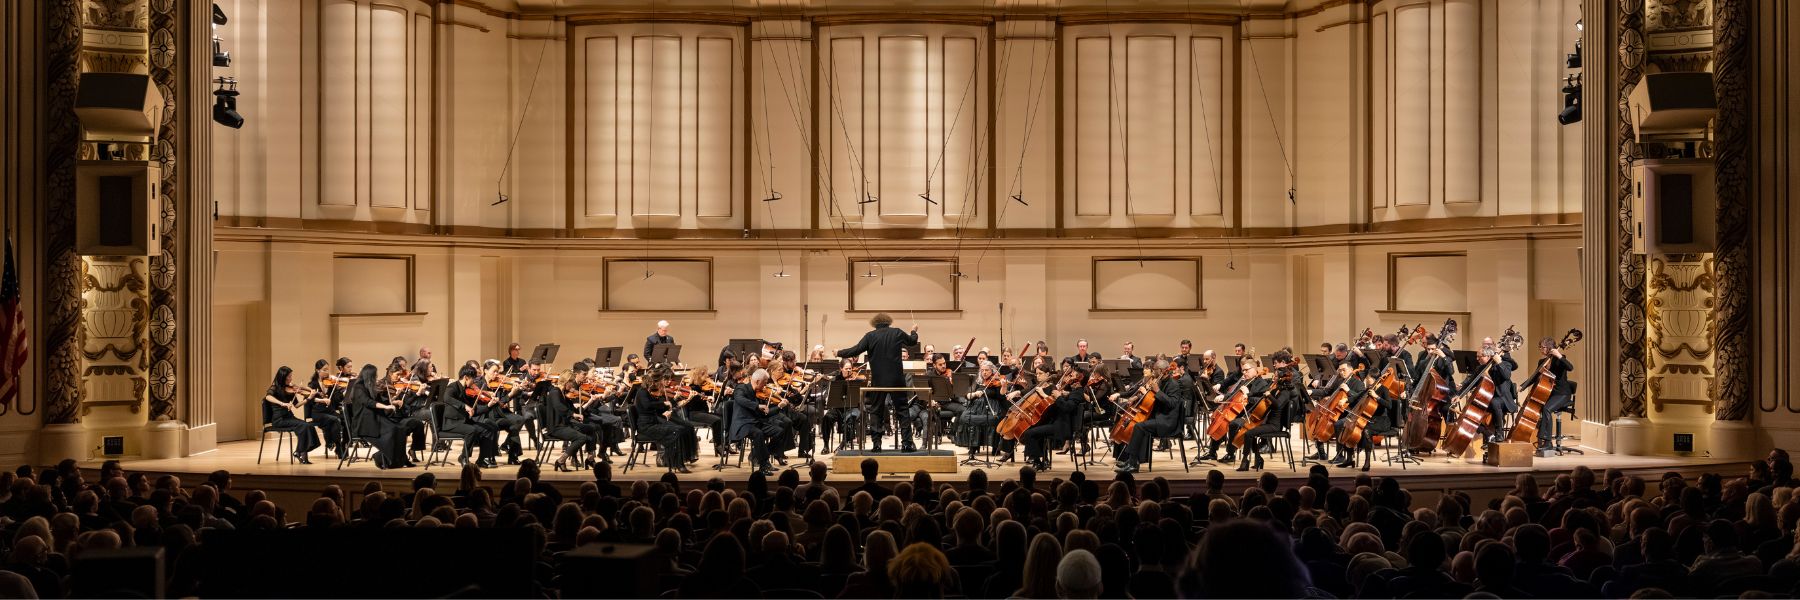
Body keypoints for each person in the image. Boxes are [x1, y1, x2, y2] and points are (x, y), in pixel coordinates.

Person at [836, 312, 920, 452]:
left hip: (878, 380)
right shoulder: (897, 332)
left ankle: (877, 444)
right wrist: (914, 331)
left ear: (875, 324)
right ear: (889, 322)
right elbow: (912, 341)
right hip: (896, 380)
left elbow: (855, 350)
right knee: (903, 411)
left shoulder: (870, 336)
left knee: (876, 412)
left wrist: (839, 352)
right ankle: (907, 444)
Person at [350, 363, 419, 469]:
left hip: (374, 418)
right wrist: (386, 407)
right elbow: (368, 402)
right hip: (364, 423)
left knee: (400, 429)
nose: (377, 377)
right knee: (391, 431)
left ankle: (402, 460)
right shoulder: (358, 388)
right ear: (369, 375)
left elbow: (380, 400)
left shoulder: (370, 387)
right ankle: (380, 457)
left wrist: (392, 402)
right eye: (375, 375)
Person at [1524, 336, 1576, 448]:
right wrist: (1523, 387)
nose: (1540, 349)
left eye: (1542, 347)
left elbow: (1570, 367)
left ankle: (1546, 442)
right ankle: (1543, 440)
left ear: (1549, 348)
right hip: (1550, 393)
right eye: (1540, 347)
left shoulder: (1560, 359)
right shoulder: (1542, 361)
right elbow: (1534, 377)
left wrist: (1559, 356)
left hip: (1562, 393)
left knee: (1547, 408)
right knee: (1541, 408)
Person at [442, 365, 499, 468]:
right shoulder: (453, 386)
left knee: (488, 429)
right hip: (452, 423)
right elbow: (446, 398)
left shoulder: (466, 390)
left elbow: (474, 409)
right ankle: (464, 457)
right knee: (471, 430)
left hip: (464, 422)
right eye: (473, 379)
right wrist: (464, 406)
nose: (474, 382)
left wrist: (489, 405)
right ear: (466, 377)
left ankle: (481, 460)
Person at [263, 366, 320, 464]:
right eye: (289, 377)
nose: (291, 379)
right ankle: (300, 454)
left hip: (289, 417)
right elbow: (268, 397)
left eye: (291, 376)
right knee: (303, 426)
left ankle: (300, 453)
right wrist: (283, 403)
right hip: (279, 419)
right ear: (282, 377)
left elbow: (297, 405)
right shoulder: (274, 388)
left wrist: (309, 398)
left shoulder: (290, 389)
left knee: (308, 426)